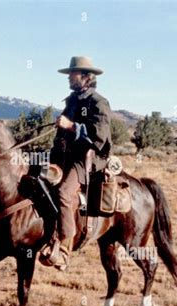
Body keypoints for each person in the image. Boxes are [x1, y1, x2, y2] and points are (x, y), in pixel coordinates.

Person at [45, 56, 112, 270]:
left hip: (88, 159)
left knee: (65, 192)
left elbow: (98, 138)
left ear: (85, 76)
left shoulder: (99, 102)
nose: (69, 78)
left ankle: (64, 249)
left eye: (72, 74)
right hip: (66, 156)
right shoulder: (72, 101)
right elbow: (60, 134)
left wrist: (72, 126)